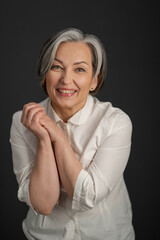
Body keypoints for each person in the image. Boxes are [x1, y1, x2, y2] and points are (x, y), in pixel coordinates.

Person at [10, 28, 135, 240]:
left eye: (79, 70)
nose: (66, 80)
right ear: (45, 74)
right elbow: (43, 204)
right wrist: (42, 139)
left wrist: (56, 135)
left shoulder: (116, 123)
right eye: (57, 67)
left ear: (95, 80)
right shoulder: (22, 121)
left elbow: (87, 197)